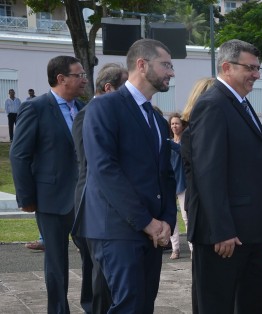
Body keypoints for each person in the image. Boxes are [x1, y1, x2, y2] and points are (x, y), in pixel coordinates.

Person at [182, 39, 262, 313]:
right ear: (227, 67)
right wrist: (222, 229)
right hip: (225, 238)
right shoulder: (213, 104)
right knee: (217, 305)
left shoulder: (240, 104)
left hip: (247, 233)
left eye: (258, 68)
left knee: (249, 305)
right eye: (250, 68)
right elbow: (208, 173)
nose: (256, 75)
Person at [80, 39, 177, 313]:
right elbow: (105, 170)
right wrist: (146, 222)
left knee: (144, 305)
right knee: (128, 306)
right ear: (142, 65)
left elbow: (166, 175)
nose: (171, 72)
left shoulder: (158, 120)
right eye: (166, 65)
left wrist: (167, 221)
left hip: (154, 232)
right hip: (118, 229)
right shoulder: (104, 108)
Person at [10, 55, 87, 314]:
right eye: (79, 75)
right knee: (56, 263)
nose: (84, 79)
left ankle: (92, 305)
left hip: (85, 198)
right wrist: (26, 198)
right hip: (51, 198)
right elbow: (19, 154)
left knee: (92, 257)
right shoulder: (36, 107)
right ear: (61, 78)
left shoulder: (84, 107)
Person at [72, 62, 127, 314]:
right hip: (92, 204)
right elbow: (91, 165)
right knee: (97, 278)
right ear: (108, 88)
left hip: (104, 205)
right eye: (125, 88)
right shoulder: (90, 114)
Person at [168, 112, 190, 259]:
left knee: (186, 217)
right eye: (172, 124)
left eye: (177, 123)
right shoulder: (167, 142)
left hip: (183, 182)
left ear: (182, 125)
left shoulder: (185, 142)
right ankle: (175, 249)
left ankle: (193, 248)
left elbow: (183, 153)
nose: (174, 126)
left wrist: (170, 144)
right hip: (170, 183)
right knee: (171, 219)